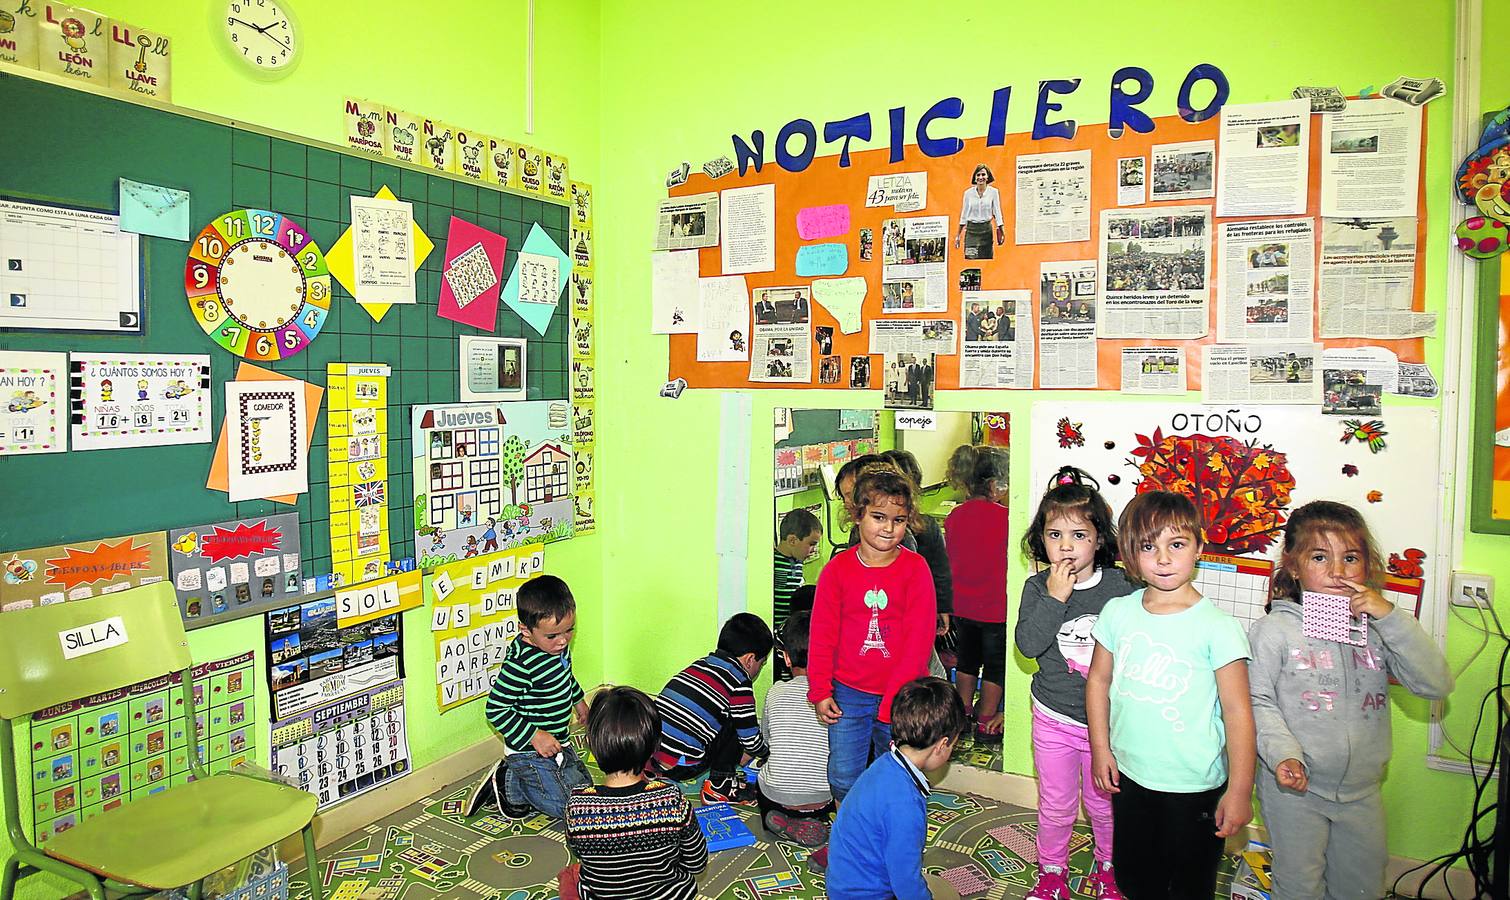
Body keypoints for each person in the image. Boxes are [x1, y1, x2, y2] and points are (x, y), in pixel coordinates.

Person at [1249, 501, 1453, 900]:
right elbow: (1258, 701)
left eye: (1351, 558)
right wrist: (1284, 755)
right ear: (1293, 565)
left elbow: (1435, 684)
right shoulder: (1273, 631)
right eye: (1320, 557)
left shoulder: (1378, 628)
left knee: (1362, 886)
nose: (1338, 572)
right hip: (1294, 789)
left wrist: (1390, 617)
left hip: (1362, 791)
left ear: (1367, 564)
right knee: (1299, 886)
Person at [1086, 491, 1256, 899]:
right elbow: (1097, 682)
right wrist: (1100, 748)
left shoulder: (1218, 626)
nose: (1163, 559)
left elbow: (1238, 713)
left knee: (1188, 885)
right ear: (1130, 552)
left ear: (1198, 546)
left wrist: (1240, 791)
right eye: (1149, 546)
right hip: (1130, 776)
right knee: (1135, 879)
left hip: (1194, 786)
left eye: (1176, 544)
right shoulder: (1117, 613)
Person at [1014, 467, 1135, 898]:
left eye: (1078, 535)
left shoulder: (1122, 586)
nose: (1065, 546)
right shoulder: (1036, 586)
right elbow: (1027, 646)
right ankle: (1051, 873)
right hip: (1053, 718)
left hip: (1108, 724)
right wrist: (1055, 597)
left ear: (1100, 539)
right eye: (1054, 535)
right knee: (1057, 804)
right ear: (1041, 540)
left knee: (1104, 805)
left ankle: (1108, 868)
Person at [809, 467, 937, 805]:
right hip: (848, 692)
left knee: (895, 773)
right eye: (879, 517)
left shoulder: (916, 569)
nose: (889, 528)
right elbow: (822, 634)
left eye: (899, 519)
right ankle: (850, 838)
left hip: (901, 695)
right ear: (856, 515)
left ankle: (886, 834)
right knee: (842, 776)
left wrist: (893, 700)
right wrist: (820, 689)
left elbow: (918, 642)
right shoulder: (836, 570)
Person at [823, 677, 968, 899]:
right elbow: (905, 880)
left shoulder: (884, 764)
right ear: (941, 745)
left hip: (843, 885)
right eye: (953, 746)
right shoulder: (905, 804)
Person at [561, 686, 708, 900]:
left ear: (591, 745)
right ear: (653, 747)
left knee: (575, 877)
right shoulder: (672, 800)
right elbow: (697, 862)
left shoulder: (577, 805)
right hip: (669, 896)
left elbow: (579, 853)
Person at [473, 575, 590, 819]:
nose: (562, 641)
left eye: (569, 631)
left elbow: (565, 676)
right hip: (527, 748)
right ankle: (509, 777)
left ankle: (513, 780)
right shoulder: (521, 664)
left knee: (585, 790)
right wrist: (535, 735)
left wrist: (579, 702)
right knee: (568, 810)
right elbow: (496, 710)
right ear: (526, 631)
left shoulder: (557, 648)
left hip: (558, 739)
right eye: (553, 636)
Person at [651, 613, 772, 804]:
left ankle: (658, 773)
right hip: (682, 765)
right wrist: (766, 753)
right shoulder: (739, 682)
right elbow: (749, 739)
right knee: (738, 721)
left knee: (716, 713)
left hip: (651, 754)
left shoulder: (701, 664)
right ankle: (720, 785)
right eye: (762, 663)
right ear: (750, 659)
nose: (759, 668)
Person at [943, 445, 1011, 745]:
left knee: (967, 660)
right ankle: (986, 722)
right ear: (995, 484)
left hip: (963, 605)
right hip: (996, 607)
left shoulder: (955, 516)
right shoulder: (1008, 517)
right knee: (996, 664)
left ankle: (964, 714)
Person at [757, 611, 834, 848]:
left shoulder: (776, 691)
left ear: (786, 658)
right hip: (822, 798)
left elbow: (767, 742)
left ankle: (783, 820)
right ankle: (817, 818)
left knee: (763, 779)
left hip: (777, 797)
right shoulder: (836, 696)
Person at [774, 508, 823, 681]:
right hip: (779, 633)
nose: (812, 550)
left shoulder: (797, 562)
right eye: (811, 544)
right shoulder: (774, 564)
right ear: (793, 540)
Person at [953, 163, 1005, 260]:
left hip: (986, 231)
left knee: (986, 260)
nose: (981, 177)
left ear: (988, 177)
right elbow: (964, 215)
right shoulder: (968, 193)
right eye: (978, 175)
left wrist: (1002, 231)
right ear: (975, 177)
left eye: (983, 174)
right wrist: (958, 235)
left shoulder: (993, 192)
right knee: (970, 259)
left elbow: (997, 213)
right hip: (971, 231)